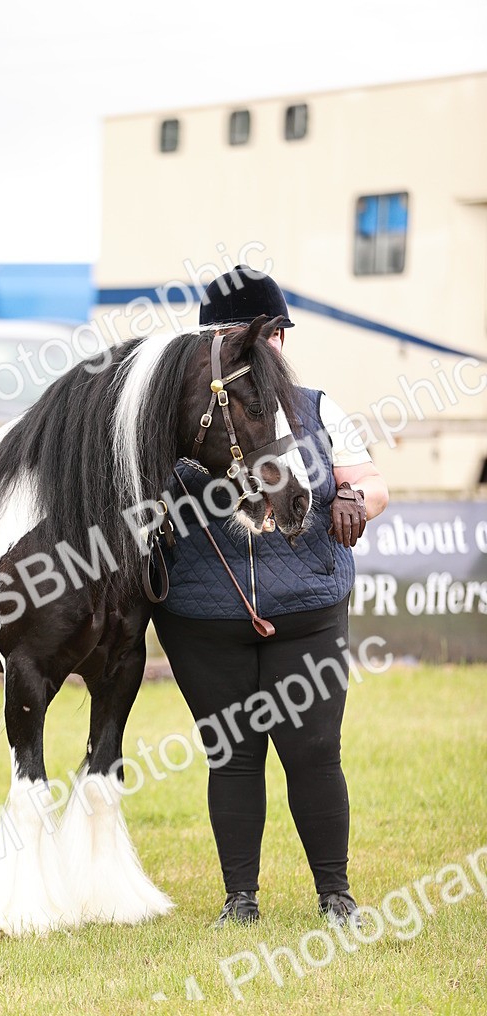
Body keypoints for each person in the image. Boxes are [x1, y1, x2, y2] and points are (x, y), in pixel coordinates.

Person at [153, 265, 390, 927]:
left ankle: (335, 894)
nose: (258, 349)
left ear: (281, 337)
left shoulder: (318, 408)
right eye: (236, 338)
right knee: (231, 756)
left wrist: (353, 497)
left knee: (314, 753)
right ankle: (240, 900)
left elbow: (374, 484)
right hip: (203, 618)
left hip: (307, 612)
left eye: (266, 336)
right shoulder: (174, 416)